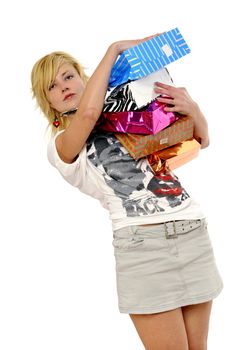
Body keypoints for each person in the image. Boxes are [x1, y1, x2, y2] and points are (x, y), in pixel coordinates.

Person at [31, 34, 223, 350]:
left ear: (83, 79)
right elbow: (89, 114)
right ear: (47, 102)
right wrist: (114, 49)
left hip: (192, 230)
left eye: (68, 76)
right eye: (52, 86)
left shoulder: (128, 116)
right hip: (143, 247)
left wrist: (194, 110)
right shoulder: (61, 147)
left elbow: (200, 140)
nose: (63, 86)